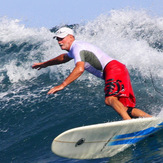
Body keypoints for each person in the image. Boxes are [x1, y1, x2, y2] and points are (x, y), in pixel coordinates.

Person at [32, 27, 152, 120]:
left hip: (113, 69)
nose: (59, 42)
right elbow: (63, 58)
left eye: (62, 38)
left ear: (71, 37)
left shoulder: (77, 47)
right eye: (58, 39)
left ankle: (128, 122)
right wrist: (45, 64)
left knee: (109, 99)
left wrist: (62, 85)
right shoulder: (75, 49)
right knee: (126, 108)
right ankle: (152, 120)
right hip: (118, 69)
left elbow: (79, 69)